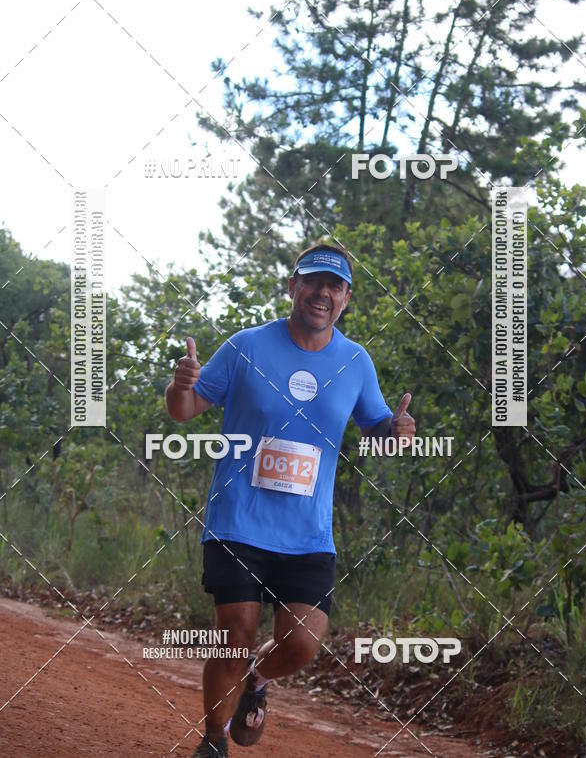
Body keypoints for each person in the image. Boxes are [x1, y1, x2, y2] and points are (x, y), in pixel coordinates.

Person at [165, 242, 416, 757]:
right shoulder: (245, 347)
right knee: (235, 636)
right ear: (293, 287)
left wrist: (398, 430)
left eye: (335, 286)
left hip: (307, 532)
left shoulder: (355, 361)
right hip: (238, 521)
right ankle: (212, 743)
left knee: (302, 646)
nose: (322, 293)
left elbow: (378, 429)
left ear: (346, 298)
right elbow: (184, 411)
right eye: (313, 281)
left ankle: (256, 679)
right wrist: (179, 384)